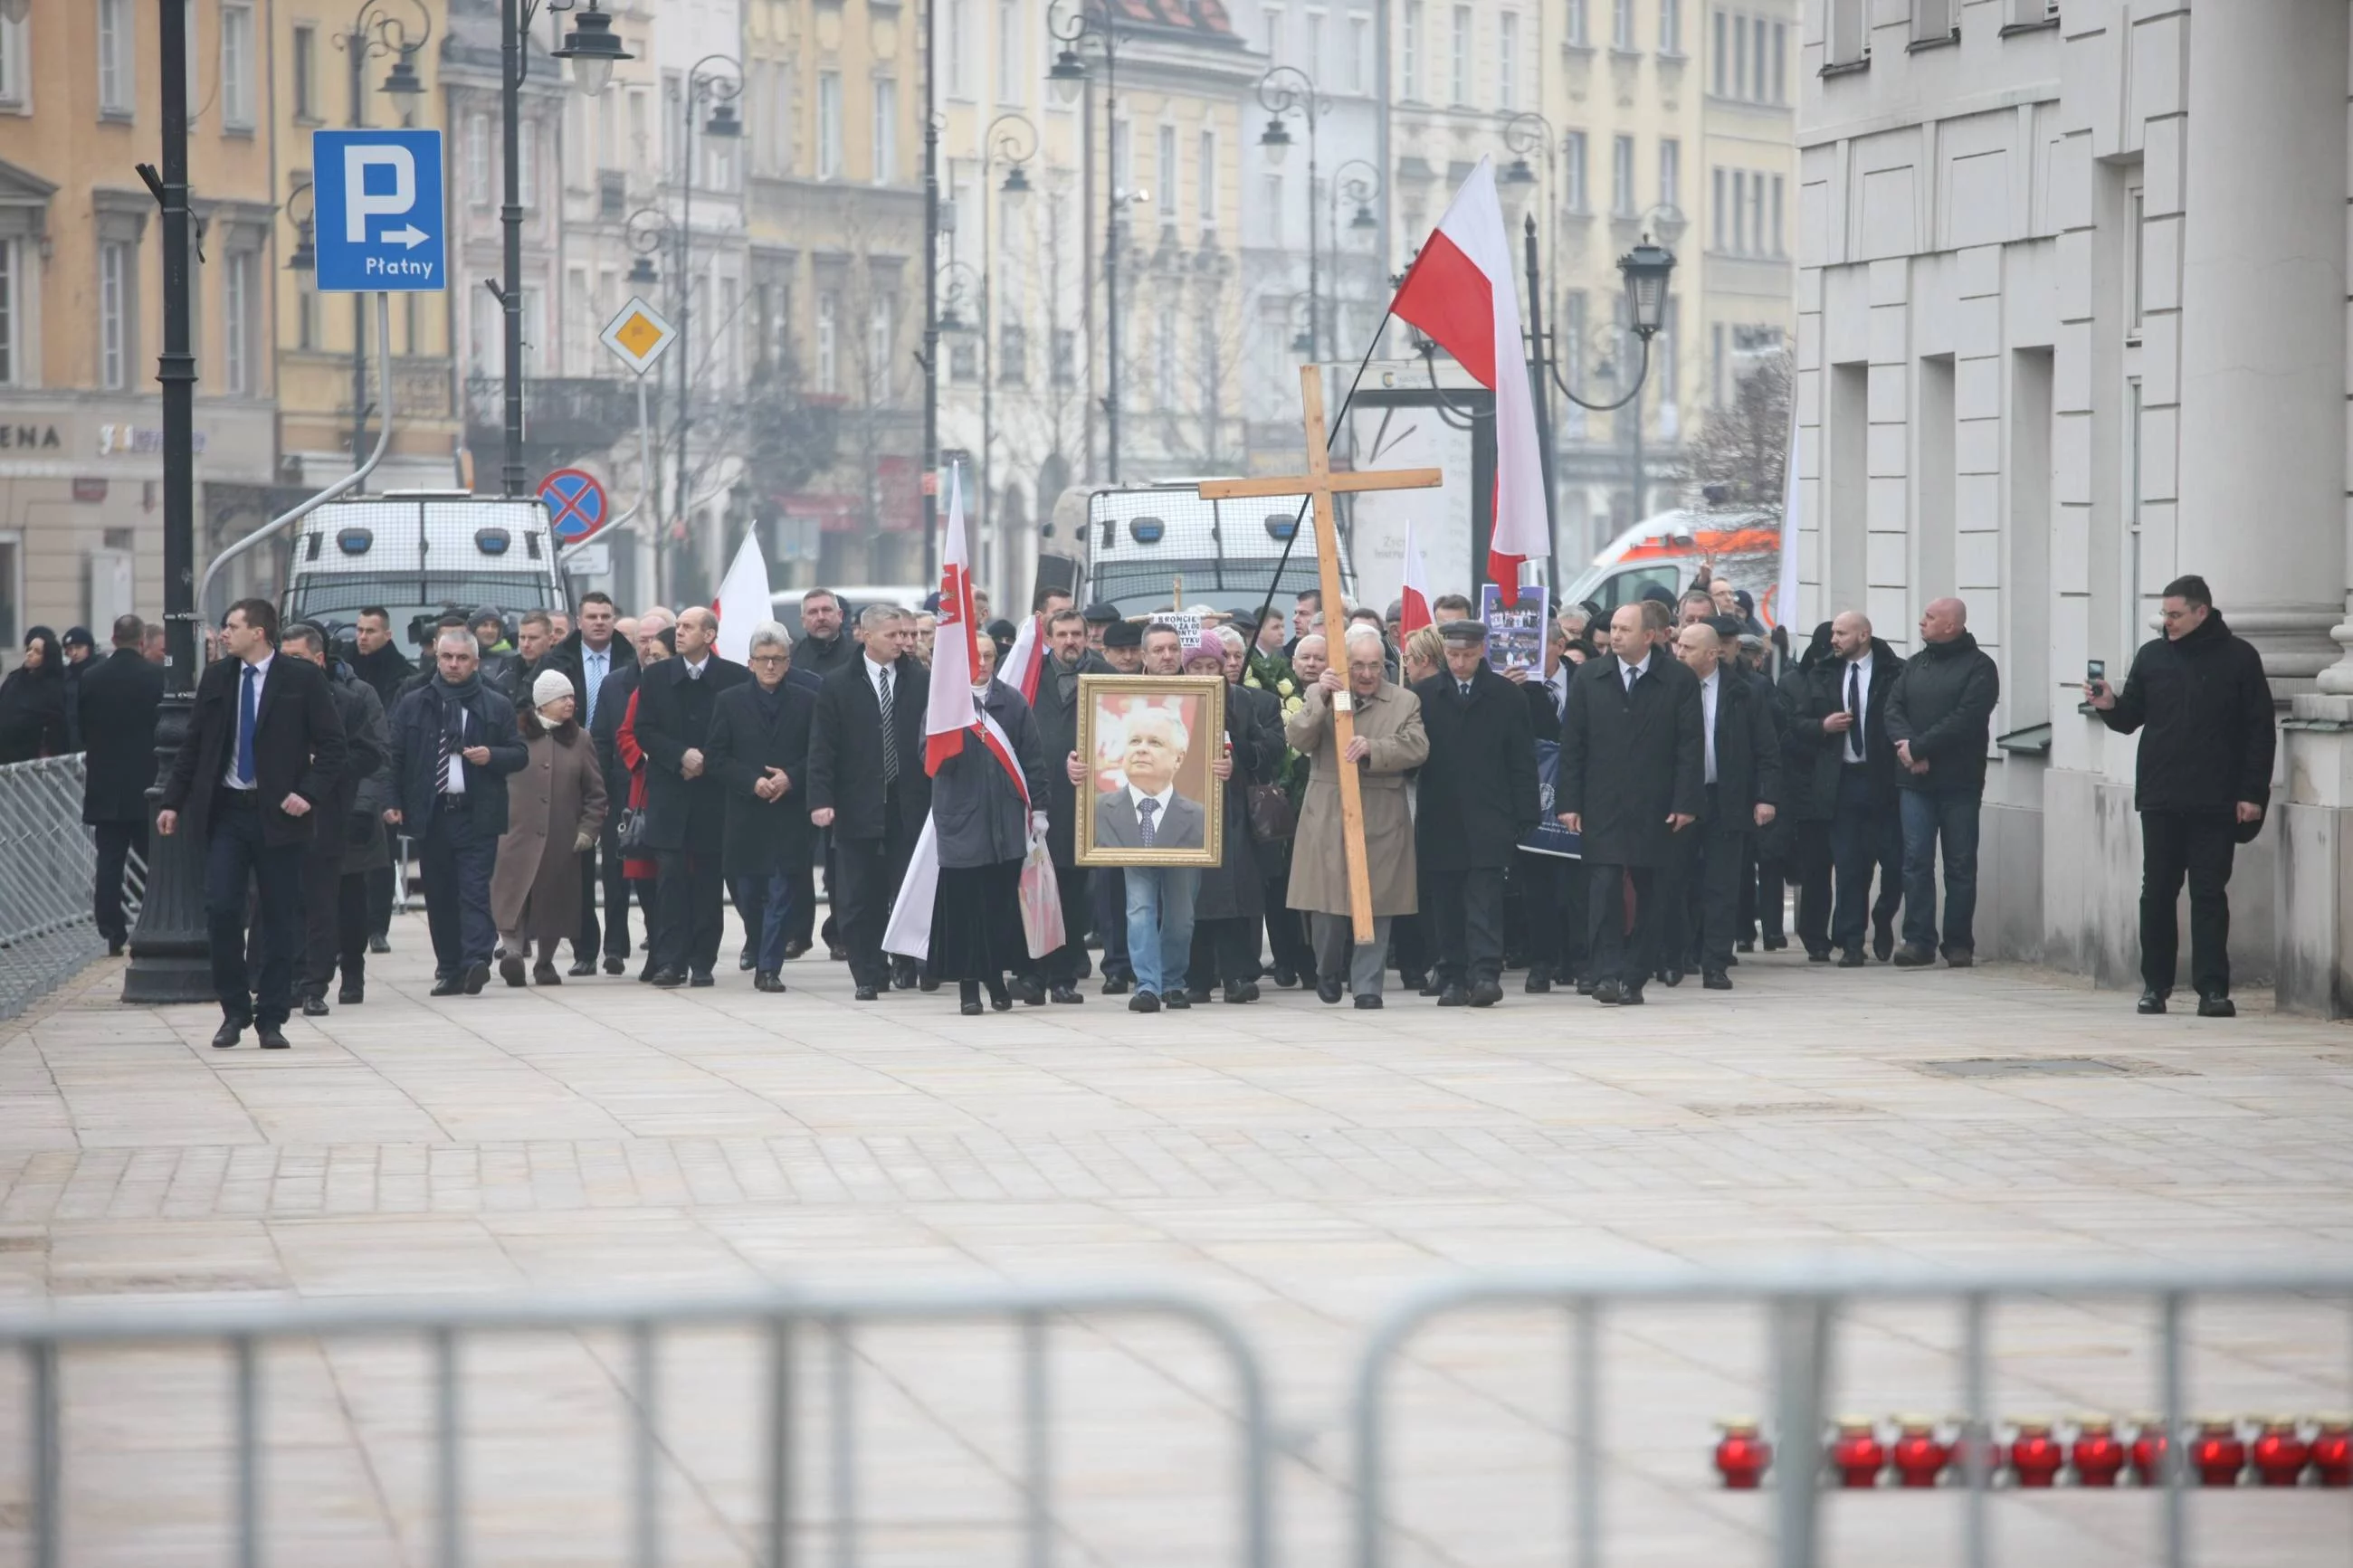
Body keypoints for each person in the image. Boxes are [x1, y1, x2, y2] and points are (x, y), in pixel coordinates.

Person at [157, 599, 348, 1050]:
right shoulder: (219, 677)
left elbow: (334, 746)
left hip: (280, 815)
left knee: (281, 917)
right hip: (227, 812)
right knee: (221, 909)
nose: (224, 633)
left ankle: (272, 1017)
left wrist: (308, 793)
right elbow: (194, 745)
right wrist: (172, 801)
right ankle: (234, 1009)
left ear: (259, 632)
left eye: (232, 626)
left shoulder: (301, 679)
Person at [2088, 574, 2276, 1018]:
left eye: (2174, 615)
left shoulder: (2239, 658)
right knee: (2156, 893)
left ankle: (2213, 989)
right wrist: (2110, 704)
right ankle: (2155, 986)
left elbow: (2259, 732)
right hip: (2161, 796)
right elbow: (2132, 715)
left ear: (2200, 612)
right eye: (2164, 615)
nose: (2166, 623)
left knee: (2209, 894)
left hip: (2216, 798)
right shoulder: (2153, 657)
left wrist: (2252, 794)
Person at [1067, 621, 1230, 1012]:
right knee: (1138, 907)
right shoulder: (1115, 694)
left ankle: (1173, 982)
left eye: (1173, 648)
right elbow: (1083, 745)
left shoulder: (1204, 696)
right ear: (1144, 654)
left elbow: (1222, 744)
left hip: (1187, 830)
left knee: (1181, 914)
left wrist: (1227, 763)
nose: (1167, 656)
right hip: (1128, 826)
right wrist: (1074, 764)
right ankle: (1147, 985)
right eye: (1158, 650)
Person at [1558, 603, 1703, 1006]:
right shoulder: (1590, 676)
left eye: (1625, 629)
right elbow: (1573, 744)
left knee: (1652, 892)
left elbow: (1691, 746)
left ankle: (1635, 975)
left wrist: (1686, 801)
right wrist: (1569, 802)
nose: (1615, 635)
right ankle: (1605, 972)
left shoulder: (1677, 679)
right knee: (1602, 890)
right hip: (1602, 803)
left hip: (1656, 806)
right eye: (1614, 628)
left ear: (1649, 636)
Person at [1286, 624, 1429, 1008]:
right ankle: (1328, 969)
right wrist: (1321, 700)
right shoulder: (1323, 692)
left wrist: (1374, 748)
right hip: (1328, 808)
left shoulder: (1404, 701)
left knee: (1378, 904)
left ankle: (1368, 986)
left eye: (1374, 665)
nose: (1367, 674)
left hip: (1382, 810)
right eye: (1358, 665)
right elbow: (1298, 739)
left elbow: (1416, 747)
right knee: (1328, 906)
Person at [386, 627, 526, 996]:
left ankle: (475, 960)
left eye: (462, 658)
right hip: (432, 813)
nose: (453, 664)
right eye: (447, 657)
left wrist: (491, 756)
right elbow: (394, 756)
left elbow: (519, 753)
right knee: (440, 894)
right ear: (436, 657)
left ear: (476, 662)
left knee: (475, 890)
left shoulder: (496, 703)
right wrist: (392, 802)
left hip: (477, 812)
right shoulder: (415, 702)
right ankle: (449, 967)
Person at [1409, 621, 1540, 1007]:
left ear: (1482, 651)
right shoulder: (1425, 696)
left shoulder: (1506, 697)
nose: (1460, 663)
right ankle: (1450, 975)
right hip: (1441, 814)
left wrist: (1526, 811)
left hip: (1490, 814)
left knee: (1485, 899)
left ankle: (1485, 973)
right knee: (1446, 901)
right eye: (1453, 655)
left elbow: (1522, 760)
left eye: (1467, 655)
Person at [810, 604, 931, 1001]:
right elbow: (822, 748)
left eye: (905, 635)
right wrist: (821, 800)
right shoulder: (838, 683)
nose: (903, 641)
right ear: (865, 635)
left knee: (909, 887)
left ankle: (908, 959)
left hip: (909, 804)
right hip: (857, 804)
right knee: (859, 894)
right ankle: (867, 971)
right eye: (893, 635)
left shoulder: (922, 681)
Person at [926, 635, 1052, 1014]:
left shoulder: (1011, 702)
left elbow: (1033, 758)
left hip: (1005, 826)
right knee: (965, 910)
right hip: (961, 824)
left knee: (999, 909)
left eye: (988, 655)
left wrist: (1040, 810)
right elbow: (927, 759)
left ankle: (996, 981)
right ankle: (968, 988)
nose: (981, 661)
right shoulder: (944, 703)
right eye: (974, 655)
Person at [275, 623, 391, 1016]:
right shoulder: (274, 698)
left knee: (347, 904)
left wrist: (357, 800)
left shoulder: (355, 697)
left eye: (299, 659)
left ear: (319, 659)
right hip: (289, 818)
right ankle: (297, 977)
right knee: (297, 902)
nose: (291, 667)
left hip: (344, 814)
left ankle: (345, 974)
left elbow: (374, 756)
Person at [1657, 622, 1779, 990]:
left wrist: (1766, 796)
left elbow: (1766, 748)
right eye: (1677, 646)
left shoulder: (1745, 692)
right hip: (1678, 800)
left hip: (1726, 798)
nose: (1678, 653)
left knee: (1722, 886)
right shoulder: (1665, 688)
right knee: (1674, 882)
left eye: (1688, 648)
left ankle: (1715, 962)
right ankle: (1674, 958)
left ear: (1713, 654)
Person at [633, 606, 748, 987]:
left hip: (713, 797)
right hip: (670, 794)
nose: (677, 633)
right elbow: (644, 730)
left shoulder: (733, 677)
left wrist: (707, 760)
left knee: (709, 882)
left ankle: (703, 961)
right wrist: (679, 755)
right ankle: (669, 961)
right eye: (677, 627)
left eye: (687, 627)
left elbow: (739, 736)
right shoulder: (656, 677)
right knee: (670, 880)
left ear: (709, 636)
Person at [1883, 596, 2000, 969]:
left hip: (1959, 780)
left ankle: (1958, 942)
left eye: (1930, 618)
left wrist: (1920, 746)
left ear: (1951, 625)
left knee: (1960, 864)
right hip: (1913, 781)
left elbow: (1967, 717)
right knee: (1915, 861)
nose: (1922, 622)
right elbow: (1893, 708)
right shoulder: (1916, 664)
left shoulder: (1980, 667)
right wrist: (1908, 749)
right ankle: (1918, 940)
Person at [705, 622, 815, 992]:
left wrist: (791, 777)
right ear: (750, 663)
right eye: (764, 659)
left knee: (782, 892)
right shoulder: (729, 701)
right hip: (745, 813)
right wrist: (752, 781)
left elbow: (818, 754)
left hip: (788, 813)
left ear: (788, 662)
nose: (771, 666)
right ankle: (757, 939)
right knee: (748, 892)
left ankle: (769, 967)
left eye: (778, 659)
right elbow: (716, 757)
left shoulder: (806, 700)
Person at [534, 591, 637, 976]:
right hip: (568, 764)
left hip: (615, 769)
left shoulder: (630, 659)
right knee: (573, 864)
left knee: (616, 862)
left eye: (606, 615)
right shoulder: (556, 660)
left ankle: (615, 946)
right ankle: (585, 948)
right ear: (579, 621)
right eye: (591, 616)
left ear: (614, 619)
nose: (599, 622)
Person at [491, 670, 609, 986]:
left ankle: (545, 963)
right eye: (562, 698)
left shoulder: (580, 739)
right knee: (512, 894)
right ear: (542, 703)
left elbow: (596, 792)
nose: (571, 702)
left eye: (572, 696)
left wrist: (588, 830)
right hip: (515, 832)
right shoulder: (514, 733)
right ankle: (513, 954)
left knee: (553, 901)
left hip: (561, 836)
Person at [1806, 611, 1906, 966]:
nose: (1834, 639)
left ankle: (1883, 917)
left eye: (1842, 633)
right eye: (1833, 632)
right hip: (1842, 780)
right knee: (1849, 866)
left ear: (1864, 635)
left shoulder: (1895, 671)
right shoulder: (1822, 673)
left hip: (1884, 781)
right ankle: (1851, 941)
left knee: (1895, 863)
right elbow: (1796, 723)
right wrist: (1822, 725)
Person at [1184, 632, 1274, 1003]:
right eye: (1198, 667)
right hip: (1185, 810)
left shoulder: (1242, 700)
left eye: (1213, 667)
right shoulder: (1170, 697)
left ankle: (1236, 975)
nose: (1206, 674)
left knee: (1233, 897)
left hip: (1231, 810)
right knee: (1192, 898)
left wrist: (1235, 755)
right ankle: (1196, 979)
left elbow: (1267, 747)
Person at [1028, 606, 1110, 1002]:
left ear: (1087, 635)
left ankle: (1062, 976)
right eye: (1062, 635)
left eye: (1076, 634)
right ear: (1049, 638)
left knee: (1074, 893)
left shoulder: (1107, 677)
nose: (1070, 642)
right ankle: (1032, 971)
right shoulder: (1028, 676)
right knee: (1035, 890)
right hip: (1036, 800)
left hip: (1087, 804)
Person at [77, 614, 165, 956]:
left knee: (110, 860)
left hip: (105, 781)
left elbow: (83, 727)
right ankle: (150, 922)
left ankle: (112, 928)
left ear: (113, 639)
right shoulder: (156, 677)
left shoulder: (91, 677)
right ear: (142, 640)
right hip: (146, 780)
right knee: (150, 859)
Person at [1089, 618, 1147, 992]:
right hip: (1109, 797)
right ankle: (1115, 965)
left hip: (1154, 796)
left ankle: (1146, 962)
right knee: (1110, 884)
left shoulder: (1161, 687)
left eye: (1132, 650)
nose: (1126, 657)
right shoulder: (1094, 690)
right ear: (1104, 653)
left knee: (1150, 884)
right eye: (1118, 651)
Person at [612, 623, 672, 980]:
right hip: (645, 793)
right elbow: (625, 734)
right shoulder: (640, 692)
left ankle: (672, 950)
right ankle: (656, 948)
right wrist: (645, 759)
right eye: (649, 656)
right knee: (646, 880)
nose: (652, 662)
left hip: (679, 793)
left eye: (659, 657)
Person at [0, 627, 69, 763]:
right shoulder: (14, 679)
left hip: (33, 760)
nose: (30, 654)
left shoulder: (53, 688)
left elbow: (57, 727)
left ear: (48, 657)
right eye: (29, 649)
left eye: (37, 652)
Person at [794, 588, 858, 681]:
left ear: (840, 616)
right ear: (803, 621)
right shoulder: (793, 656)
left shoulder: (860, 655)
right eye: (813, 612)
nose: (821, 617)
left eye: (826, 610)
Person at [468, 606, 524, 700]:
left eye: (494, 626)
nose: (490, 630)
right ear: (474, 629)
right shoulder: (461, 657)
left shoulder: (513, 660)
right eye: (484, 625)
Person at [57, 626, 94, 749]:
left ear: (89, 647)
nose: (74, 653)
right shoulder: (65, 676)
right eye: (69, 649)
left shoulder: (99, 671)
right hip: (70, 742)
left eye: (78, 647)